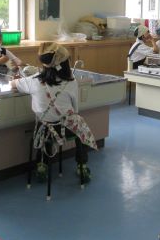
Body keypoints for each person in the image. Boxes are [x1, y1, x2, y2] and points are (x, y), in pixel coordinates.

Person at [11, 42, 97, 184]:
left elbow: (13, 84)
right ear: (65, 63)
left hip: (44, 129)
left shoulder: (33, 81)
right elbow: (75, 110)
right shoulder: (71, 82)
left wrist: (17, 81)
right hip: (67, 129)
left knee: (44, 127)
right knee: (81, 130)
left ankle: (42, 166)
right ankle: (82, 166)